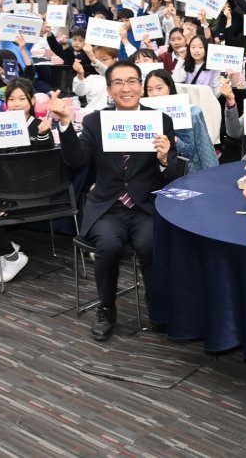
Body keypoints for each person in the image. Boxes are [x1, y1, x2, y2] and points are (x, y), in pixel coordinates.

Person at [51, 60, 178, 340]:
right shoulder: (96, 121)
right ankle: (106, 308)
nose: (126, 88)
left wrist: (165, 158)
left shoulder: (160, 121)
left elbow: (171, 175)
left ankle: (157, 306)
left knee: (150, 244)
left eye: (132, 81)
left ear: (141, 88)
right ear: (109, 90)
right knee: (108, 246)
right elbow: (76, 160)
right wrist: (64, 124)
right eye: (118, 82)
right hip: (108, 206)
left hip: (145, 205)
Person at [0, 79, 56, 282]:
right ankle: (7, 250)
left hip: (33, 193)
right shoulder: (2, 126)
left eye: (22, 98)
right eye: (11, 99)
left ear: (32, 100)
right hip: (7, 192)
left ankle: (10, 255)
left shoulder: (39, 126)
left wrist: (43, 134)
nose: (16, 104)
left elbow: (47, 157)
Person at [143, 68, 219, 171]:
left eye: (159, 88)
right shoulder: (143, 116)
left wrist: (174, 140)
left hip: (185, 171)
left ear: (169, 87)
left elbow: (196, 149)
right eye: (149, 89)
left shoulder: (190, 112)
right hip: (153, 173)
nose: (154, 93)